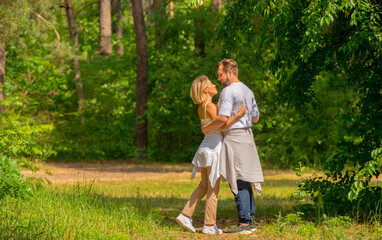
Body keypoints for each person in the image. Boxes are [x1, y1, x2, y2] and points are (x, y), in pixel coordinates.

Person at [176, 75, 246, 234]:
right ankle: (209, 225)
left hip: (204, 148)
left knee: (204, 186)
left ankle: (185, 214)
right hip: (214, 149)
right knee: (213, 189)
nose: (215, 84)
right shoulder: (211, 107)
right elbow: (222, 125)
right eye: (211, 84)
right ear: (206, 89)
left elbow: (211, 124)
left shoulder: (202, 106)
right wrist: (238, 116)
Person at [202, 59, 264, 234]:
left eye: (220, 74)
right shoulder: (247, 90)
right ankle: (250, 220)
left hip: (235, 137)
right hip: (248, 136)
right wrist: (240, 115)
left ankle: (244, 223)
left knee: (236, 177)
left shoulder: (228, 91)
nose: (219, 79)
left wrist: (207, 127)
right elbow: (256, 118)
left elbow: (222, 119)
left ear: (230, 72)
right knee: (246, 177)